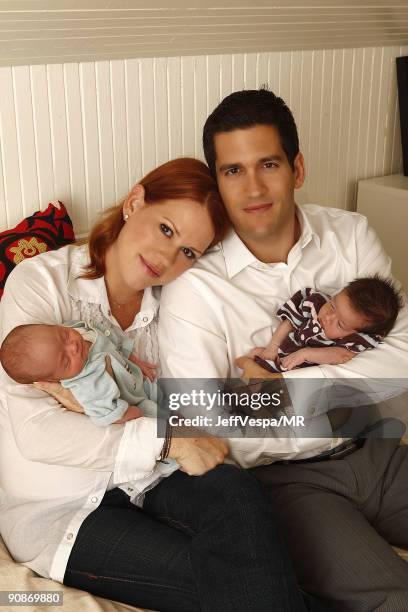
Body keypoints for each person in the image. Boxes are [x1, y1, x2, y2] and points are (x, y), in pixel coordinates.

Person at [0, 157, 314, 612]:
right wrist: (168, 439)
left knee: (239, 497)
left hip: (148, 481)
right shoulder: (41, 282)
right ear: (134, 203)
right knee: (240, 581)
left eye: (189, 251)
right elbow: (38, 434)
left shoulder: (174, 303)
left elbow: (184, 401)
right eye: (166, 229)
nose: (168, 258)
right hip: (63, 507)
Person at [158, 91, 408, 610]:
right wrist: (348, 387)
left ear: (296, 168)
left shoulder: (351, 235)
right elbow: (209, 428)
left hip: (378, 449)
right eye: (232, 171)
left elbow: (404, 357)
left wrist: (284, 387)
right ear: (217, 182)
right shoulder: (193, 291)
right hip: (287, 485)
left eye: (267, 164)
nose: (252, 188)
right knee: (395, 596)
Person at [0, 321, 158, 425]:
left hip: (140, 379)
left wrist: (131, 357)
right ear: (54, 379)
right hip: (140, 401)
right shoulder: (86, 383)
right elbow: (107, 414)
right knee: (170, 424)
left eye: (64, 336)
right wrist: (135, 413)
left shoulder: (77, 329)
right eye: (66, 360)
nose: (73, 347)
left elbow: (109, 338)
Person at [249, 276, 402, 373]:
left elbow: (342, 355)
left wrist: (306, 354)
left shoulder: (353, 340)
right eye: (332, 306)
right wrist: (272, 347)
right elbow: (289, 323)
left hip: (304, 373)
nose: (328, 317)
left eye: (340, 324)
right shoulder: (315, 302)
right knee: (254, 358)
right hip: (284, 356)